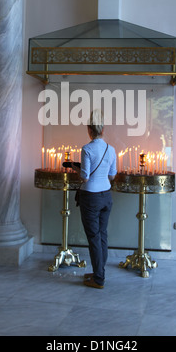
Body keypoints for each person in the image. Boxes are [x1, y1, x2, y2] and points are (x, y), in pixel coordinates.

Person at [72, 109, 117, 289]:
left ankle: (99, 278)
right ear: (103, 130)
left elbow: (84, 178)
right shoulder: (111, 149)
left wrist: (76, 169)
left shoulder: (87, 149)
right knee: (102, 235)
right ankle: (99, 272)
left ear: (89, 130)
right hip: (106, 196)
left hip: (90, 198)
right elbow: (112, 175)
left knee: (93, 237)